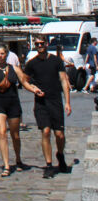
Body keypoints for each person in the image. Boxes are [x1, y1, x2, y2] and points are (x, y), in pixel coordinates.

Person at [0, 43, 43, 177]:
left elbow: (24, 83)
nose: (0, 56)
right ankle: (7, 165)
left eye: (2, 53)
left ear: (6, 54)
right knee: (2, 133)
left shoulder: (14, 69)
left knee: (15, 135)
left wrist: (34, 89)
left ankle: (18, 159)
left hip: (13, 103)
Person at [24, 36, 72, 177]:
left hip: (55, 100)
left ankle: (60, 154)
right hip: (41, 103)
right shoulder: (31, 64)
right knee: (45, 131)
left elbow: (64, 80)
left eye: (42, 43)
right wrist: (33, 89)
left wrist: (67, 102)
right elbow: (24, 81)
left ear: (46, 44)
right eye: (37, 44)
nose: (40, 46)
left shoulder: (56, 61)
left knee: (59, 134)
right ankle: (49, 165)